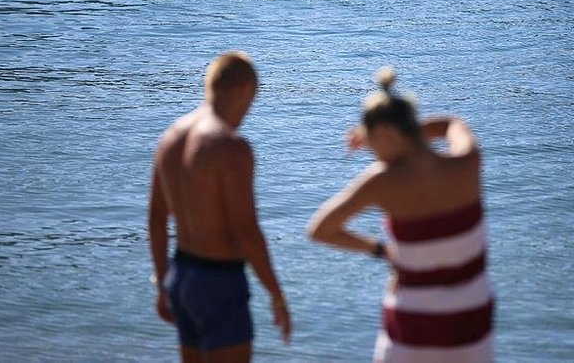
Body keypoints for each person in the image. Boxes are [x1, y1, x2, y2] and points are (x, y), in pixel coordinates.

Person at [308, 67, 494, 363]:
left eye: (371, 141)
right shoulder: (468, 162)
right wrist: (405, 135)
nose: (371, 151)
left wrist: (382, 250)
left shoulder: (381, 181)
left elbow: (319, 229)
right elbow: (451, 124)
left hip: (413, 330)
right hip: (471, 330)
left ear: (384, 134)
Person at [148, 51, 291, 363]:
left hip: (181, 276)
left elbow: (157, 220)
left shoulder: (170, 138)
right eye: (252, 99)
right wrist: (276, 294)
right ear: (241, 90)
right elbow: (246, 231)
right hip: (218, 282)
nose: (248, 111)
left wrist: (162, 283)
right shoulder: (230, 146)